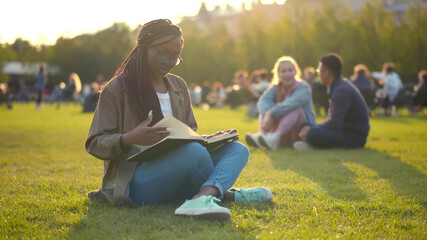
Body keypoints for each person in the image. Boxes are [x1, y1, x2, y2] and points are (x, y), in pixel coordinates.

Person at [85, 19, 272, 220]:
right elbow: (95, 143)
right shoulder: (117, 88)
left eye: (174, 57)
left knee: (237, 150)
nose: (168, 61)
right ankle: (226, 195)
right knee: (193, 154)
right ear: (144, 48)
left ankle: (201, 198)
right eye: (162, 53)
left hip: (181, 166)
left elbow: (187, 136)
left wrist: (209, 139)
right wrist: (129, 138)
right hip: (136, 180)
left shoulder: (179, 86)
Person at [294, 53, 370, 150]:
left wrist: (313, 130)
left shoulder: (342, 90)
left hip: (353, 138)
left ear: (326, 72)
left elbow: (334, 123)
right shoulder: (338, 86)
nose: (318, 74)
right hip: (343, 131)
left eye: (319, 71)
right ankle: (310, 141)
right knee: (305, 126)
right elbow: (331, 119)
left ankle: (311, 143)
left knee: (312, 132)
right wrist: (312, 128)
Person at [245, 56, 316, 150]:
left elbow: (291, 103)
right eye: (283, 71)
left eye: (290, 70)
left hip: (300, 132)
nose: (287, 74)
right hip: (284, 134)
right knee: (268, 107)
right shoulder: (276, 87)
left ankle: (274, 137)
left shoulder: (304, 87)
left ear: (296, 72)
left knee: (295, 109)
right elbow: (263, 101)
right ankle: (262, 135)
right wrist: (267, 114)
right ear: (278, 74)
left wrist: (271, 113)